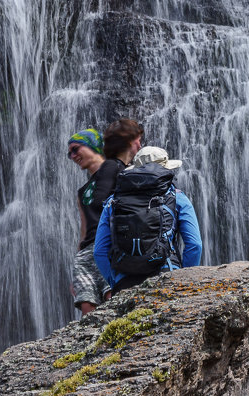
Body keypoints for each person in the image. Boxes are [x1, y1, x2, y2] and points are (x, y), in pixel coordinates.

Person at [93, 146, 203, 295]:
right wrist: (185, 279)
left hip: (124, 280)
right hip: (167, 276)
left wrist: (115, 281)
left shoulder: (114, 201)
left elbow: (99, 251)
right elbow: (194, 245)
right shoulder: (177, 198)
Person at [67, 127, 116, 315]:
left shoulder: (114, 168)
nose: (72, 156)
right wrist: (77, 262)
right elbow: (84, 227)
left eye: (76, 149)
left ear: (93, 145)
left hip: (108, 244)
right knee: (86, 303)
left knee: (111, 294)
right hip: (86, 253)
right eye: (69, 152)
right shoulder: (82, 191)